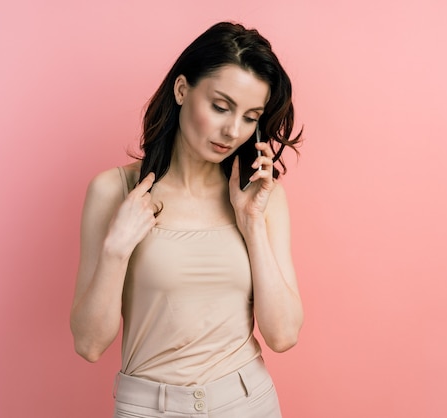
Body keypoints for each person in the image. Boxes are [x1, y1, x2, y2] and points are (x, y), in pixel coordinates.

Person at [70, 21, 303, 418]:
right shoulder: (114, 190)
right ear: (182, 90)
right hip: (148, 407)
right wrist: (117, 248)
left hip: (248, 402)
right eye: (220, 106)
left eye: (250, 117)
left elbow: (282, 336)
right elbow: (89, 344)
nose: (232, 130)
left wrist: (252, 225)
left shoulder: (262, 198)